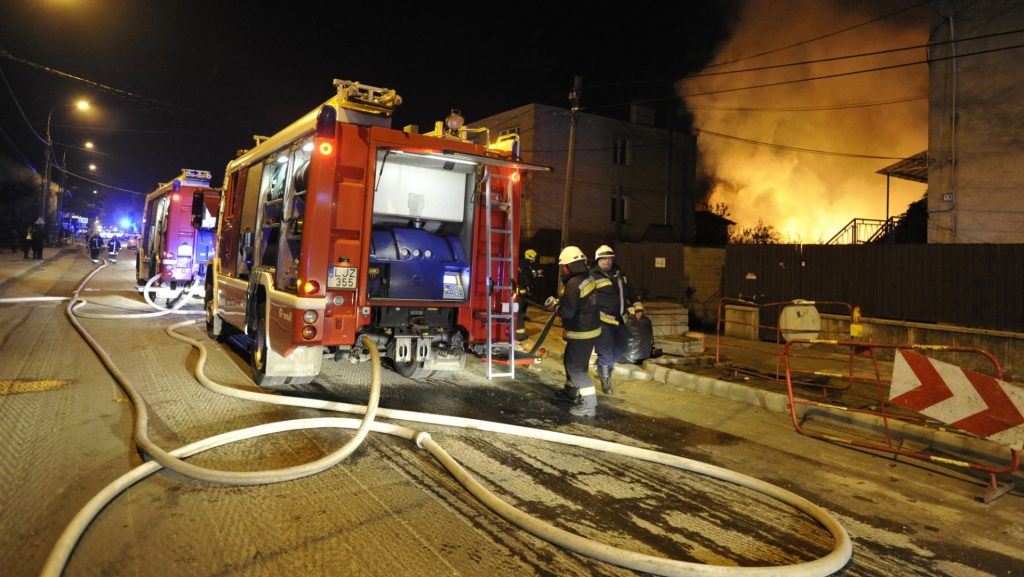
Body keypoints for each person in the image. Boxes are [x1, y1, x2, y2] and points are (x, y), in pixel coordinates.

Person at [544, 246, 600, 417]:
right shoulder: (587, 278)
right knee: (571, 361)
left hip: (581, 332)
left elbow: (567, 311)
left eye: (563, 267)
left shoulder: (573, 284)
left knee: (576, 368)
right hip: (589, 330)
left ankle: (589, 405)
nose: (563, 270)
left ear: (568, 267)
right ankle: (570, 393)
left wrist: (555, 307)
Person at [590, 244, 644, 394]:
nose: (608, 261)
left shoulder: (619, 274)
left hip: (620, 319)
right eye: (604, 258)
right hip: (603, 320)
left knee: (621, 349)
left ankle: (602, 363)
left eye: (610, 258)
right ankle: (605, 380)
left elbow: (630, 291)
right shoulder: (592, 275)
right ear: (598, 259)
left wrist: (637, 306)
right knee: (606, 352)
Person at [515, 248, 543, 341]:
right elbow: (526, 278)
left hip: (519, 293)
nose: (535, 259)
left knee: (519, 312)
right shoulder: (525, 265)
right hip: (519, 293)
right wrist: (534, 277)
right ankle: (520, 335)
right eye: (534, 257)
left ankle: (516, 332)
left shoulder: (522, 264)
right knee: (518, 313)